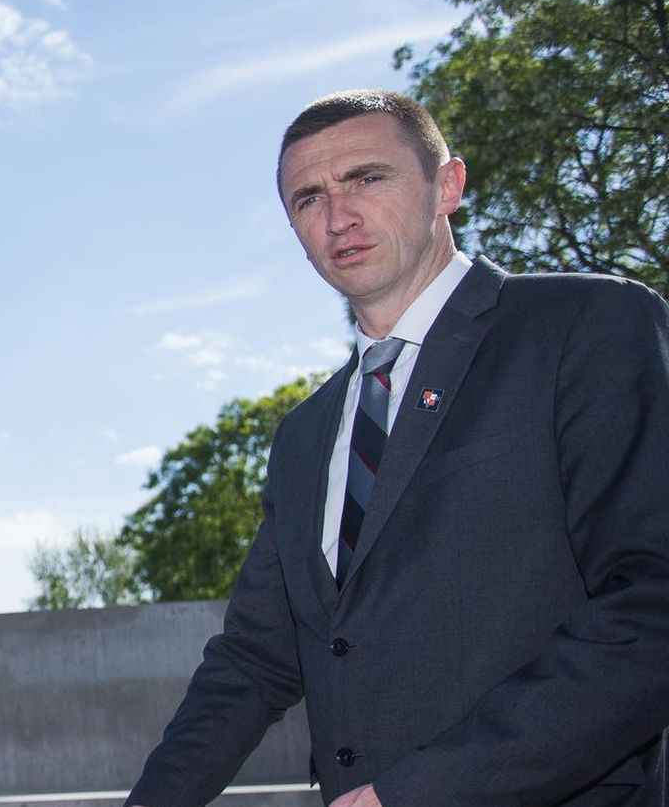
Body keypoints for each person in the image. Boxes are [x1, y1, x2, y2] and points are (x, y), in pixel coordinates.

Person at [126, 90, 669, 807]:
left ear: (448, 186)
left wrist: (420, 792)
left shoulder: (585, 325)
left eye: (368, 179)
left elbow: (652, 601)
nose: (338, 216)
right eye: (308, 198)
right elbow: (254, 661)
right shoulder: (304, 435)